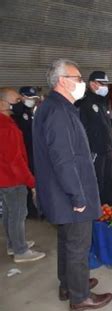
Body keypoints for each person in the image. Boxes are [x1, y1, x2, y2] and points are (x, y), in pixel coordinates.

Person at [33, 59, 112, 311]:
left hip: (60, 192)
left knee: (67, 241)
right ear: (62, 80)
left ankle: (69, 283)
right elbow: (63, 159)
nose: (81, 83)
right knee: (79, 244)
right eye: (77, 78)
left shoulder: (55, 107)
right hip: (68, 192)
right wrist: (78, 197)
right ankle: (80, 297)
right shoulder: (58, 112)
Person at [0, 87, 45, 263]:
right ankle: (20, 251)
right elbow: (15, 160)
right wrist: (31, 182)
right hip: (12, 179)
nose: (19, 104)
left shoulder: (7, 123)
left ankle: (13, 244)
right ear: (3, 103)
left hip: (4, 177)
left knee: (10, 214)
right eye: (17, 101)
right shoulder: (6, 128)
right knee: (18, 214)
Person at [75, 71, 112, 206]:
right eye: (102, 84)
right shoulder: (83, 104)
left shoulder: (103, 102)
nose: (105, 87)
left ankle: (110, 209)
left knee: (109, 182)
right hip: (94, 152)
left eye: (107, 84)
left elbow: (107, 127)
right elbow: (81, 132)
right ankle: (97, 213)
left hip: (106, 151)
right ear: (92, 84)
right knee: (96, 184)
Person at [13, 86, 40, 218]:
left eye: (34, 98)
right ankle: (30, 210)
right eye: (29, 98)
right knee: (27, 182)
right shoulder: (17, 113)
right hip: (23, 153)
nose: (32, 101)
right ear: (21, 97)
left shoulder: (30, 112)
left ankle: (35, 208)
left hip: (33, 151)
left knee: (34, 179)